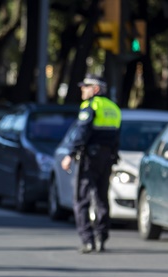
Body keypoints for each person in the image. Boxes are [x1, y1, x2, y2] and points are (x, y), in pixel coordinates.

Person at [61, 73, 121, 253]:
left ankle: (88, 240)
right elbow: (117, 136)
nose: (82, 89)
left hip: (89, 158)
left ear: (95, 89)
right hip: (107, 158)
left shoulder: (90, 106)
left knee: (81, 198)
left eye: (85, 86)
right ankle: (102, 237)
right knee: (102, 198)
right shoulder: (114, 108)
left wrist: (70, 154)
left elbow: (81, 132)